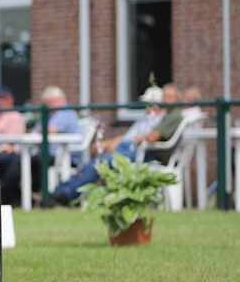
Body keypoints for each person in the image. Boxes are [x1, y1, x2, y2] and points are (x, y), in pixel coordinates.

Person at [44, 84, 184, 206]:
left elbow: (152, 137)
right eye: (164, 97)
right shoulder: (156, 116)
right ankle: (61, 192)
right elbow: (131, 135)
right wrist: (113, 142)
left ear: (177, 99)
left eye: (169, 97)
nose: (164, 100)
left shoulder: (172, 116)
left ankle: (63, 194)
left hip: (142, 153)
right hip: (130, 147)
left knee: (100, 165)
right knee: (94, 163)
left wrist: (132, 140)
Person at [0, 86, 26, 205]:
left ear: (11, 100)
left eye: (4, 98)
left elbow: (12, 142)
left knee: (5, 162)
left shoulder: (15, 116)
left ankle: (3, 198)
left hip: (8, 152)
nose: (1, 101)